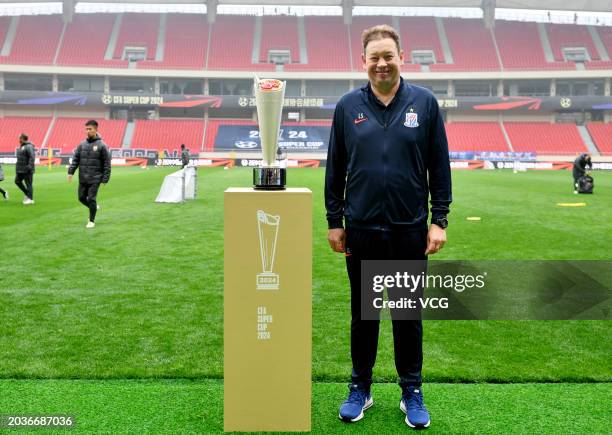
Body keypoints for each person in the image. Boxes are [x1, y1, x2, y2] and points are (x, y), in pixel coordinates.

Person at [325, 24, 452, 429]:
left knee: (406, 315)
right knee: (364, 315)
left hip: (408, 230)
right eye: (374, 57)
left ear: (402, 58)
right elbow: (335, 168)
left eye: (388, 56)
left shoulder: (425, 104)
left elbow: (439, 166)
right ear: (363, 62)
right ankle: (360, 387)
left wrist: (439, 220)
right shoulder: (347, 106)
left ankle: (411, 390)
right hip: (360, 229)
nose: (382, 63)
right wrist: (334, 220)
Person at [67, 120, 111, 229]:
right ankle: (94, 207)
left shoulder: (102, 145)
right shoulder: (82, 144)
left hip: (95, 178)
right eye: (86, 129)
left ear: (96, 129)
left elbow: (107, 163)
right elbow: (76, 159)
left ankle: (91, 220)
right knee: (81, 198)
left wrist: (105, 179)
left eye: (90, 129)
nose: (87, 131)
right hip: (83, 177)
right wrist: (70, 172)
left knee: (91, 198)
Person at [15, 133, 36, 204]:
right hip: (20, 169)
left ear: (22, 139)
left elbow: (32, 156)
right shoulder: (22, 146)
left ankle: (30, 199)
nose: (19, 140)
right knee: (17, 181)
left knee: (28, 183)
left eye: (19, 138)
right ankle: (27, 194)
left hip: (27, 169)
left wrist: (29, 166)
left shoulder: (29, 146)